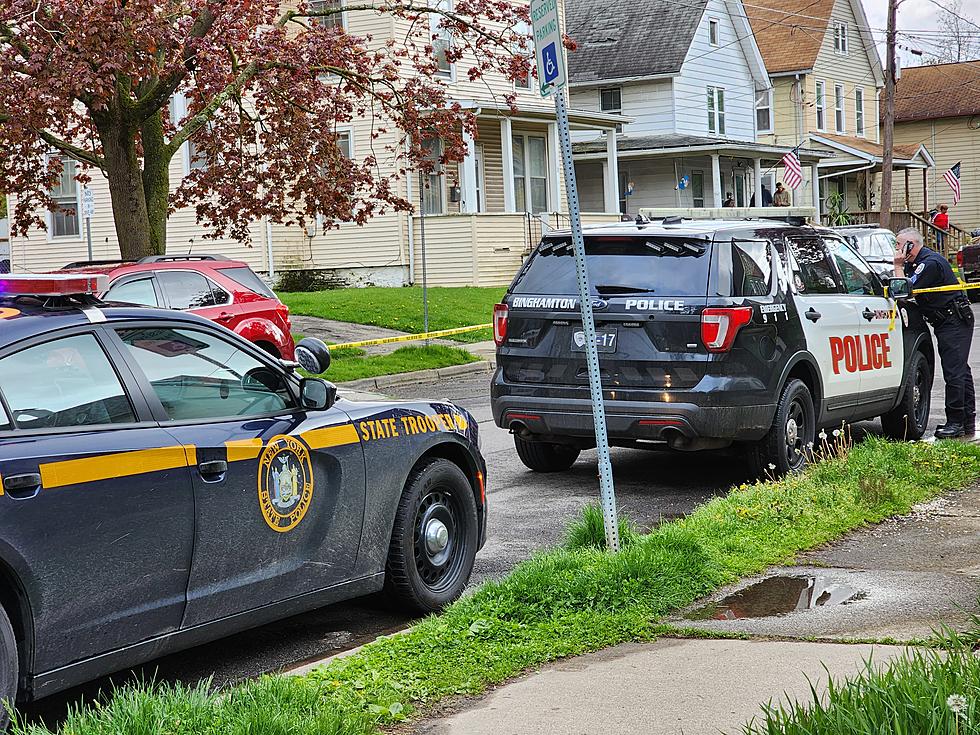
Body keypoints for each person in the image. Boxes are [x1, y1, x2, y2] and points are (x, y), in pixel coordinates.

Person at [894, 227, 975, 438]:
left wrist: (897, 265)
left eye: (898, 244)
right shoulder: (919, 263)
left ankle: (956, 422)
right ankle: (966, 421)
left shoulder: (929, 263)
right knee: (960, 371)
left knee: (954, 372)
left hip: (953, 320)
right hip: (947, 321)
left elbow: (903, 290)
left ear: (911, 245)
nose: (896, 249)